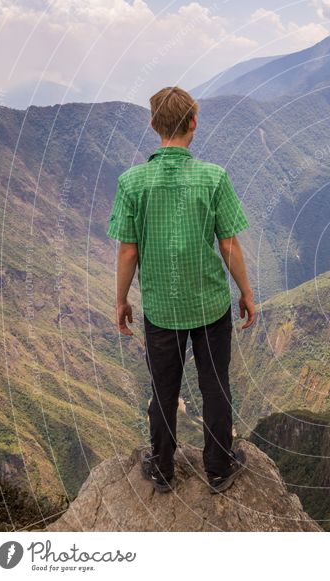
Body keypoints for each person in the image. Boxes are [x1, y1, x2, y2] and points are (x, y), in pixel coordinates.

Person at [107, 86, 257, 494]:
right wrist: (245, 292)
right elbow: (228, 244)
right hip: (210, 303)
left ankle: (162, 467)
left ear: (154, 125)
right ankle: (219, 468)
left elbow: (127, 251)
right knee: (215, 385)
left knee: (163, 389)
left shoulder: (132, 183)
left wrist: (121, 300)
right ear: (193, 122)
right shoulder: (213, 177)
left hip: (160, 308)